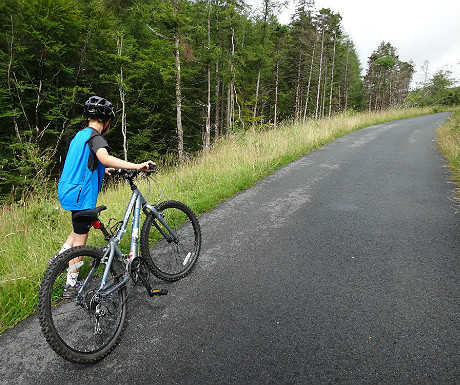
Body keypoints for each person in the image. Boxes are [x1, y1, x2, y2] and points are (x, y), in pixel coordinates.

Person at [50, 95, 154, 298]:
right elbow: (103, 156)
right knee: (81, 238)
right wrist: (137, 165)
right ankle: (71, 285)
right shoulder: (96, 138)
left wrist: (101, 170)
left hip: (68, 191)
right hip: (81, 195)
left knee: (77, 227)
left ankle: (56, 263)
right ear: (106, 122)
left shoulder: (80, 136)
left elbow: (85, 161)